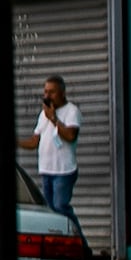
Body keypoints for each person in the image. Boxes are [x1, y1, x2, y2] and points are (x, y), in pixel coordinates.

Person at [19, 74, 83, 225]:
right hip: (47, 169)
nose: (47, 96)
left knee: (61, 207)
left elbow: (70, 136)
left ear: (62, 93)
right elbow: (35, 141)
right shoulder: (44, 114)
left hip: (64, 170)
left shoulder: (71, 111)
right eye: (45, 92)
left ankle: (81, 244)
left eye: (52, 92)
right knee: (50, 212)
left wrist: (53, 118)